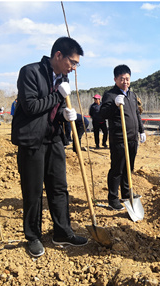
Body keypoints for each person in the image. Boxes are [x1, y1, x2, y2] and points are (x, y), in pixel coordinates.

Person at [11, 36, 88, 257]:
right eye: (72, 62)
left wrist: (65, 115)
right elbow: (32, 106)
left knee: (59, 188)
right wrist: (58, 95)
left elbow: (56, 109)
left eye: (76, 64)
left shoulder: (63, 79)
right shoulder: (30, 72)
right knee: (33, 192)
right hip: (32, 141)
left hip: (54, 139)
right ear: (58, 55)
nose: (73, 68)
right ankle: (33, 236)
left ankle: (62, 232)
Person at [99, 64, 145, 211]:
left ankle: (126, 192)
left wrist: (141, 130)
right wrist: (114, 104)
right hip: (119, 139)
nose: (125, 82)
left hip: (133, 138)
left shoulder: (132, 95)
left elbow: (137, 114)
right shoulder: (110, 95)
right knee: (117, 169)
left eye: (127, 79)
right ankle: (113, 198)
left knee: (129, 167)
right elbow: (101, 115)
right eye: (122, 79)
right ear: (115, 79)